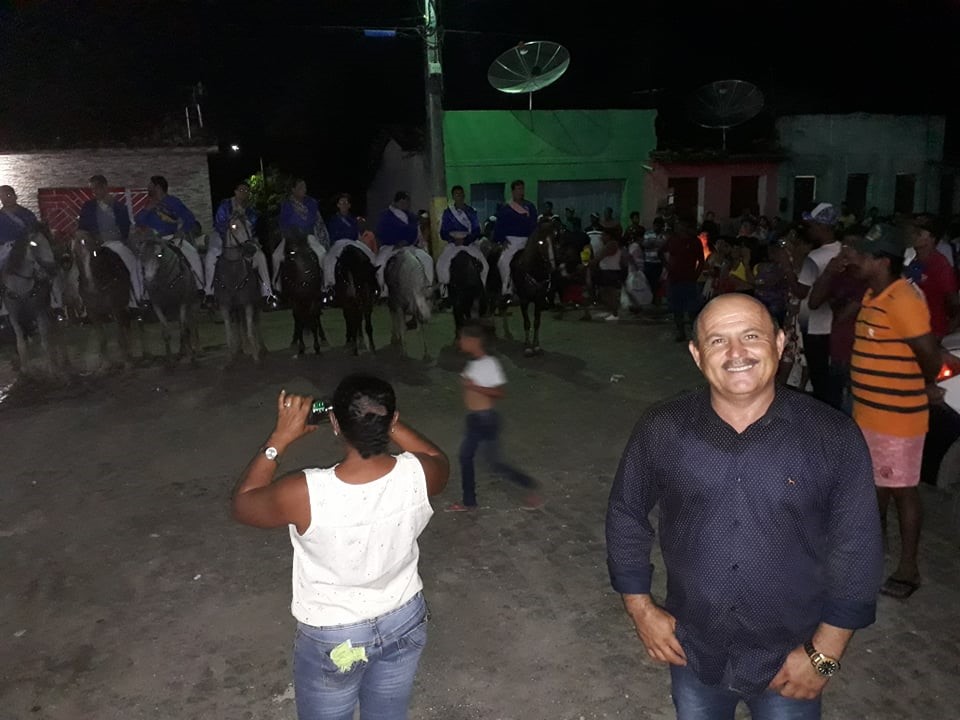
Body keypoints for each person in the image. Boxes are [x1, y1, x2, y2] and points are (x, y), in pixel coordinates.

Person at [606, 292, 883, 720]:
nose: (736, 353)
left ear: (779, 342)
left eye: (751, 336)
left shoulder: (832, 436)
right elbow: (626, 513)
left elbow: (858, 545)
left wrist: (825, 655)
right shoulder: (663, 429)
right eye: (718, 340)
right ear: (697, 354)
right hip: (694, 652)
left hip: (792, 657)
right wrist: (640, 610)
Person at [231, 374, 449, 720]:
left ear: (334, 423)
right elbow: (435, 455)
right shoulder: (420, 473)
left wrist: (280, 438)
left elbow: (244, 504)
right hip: (404, 617)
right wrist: (381, 422)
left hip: (336, 635)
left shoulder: (304, 492)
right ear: (393, 418)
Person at [848, 224, 945, 601]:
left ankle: (908, 569)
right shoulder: (875, 295)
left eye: (864, 255)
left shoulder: (902, 298)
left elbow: (929, 355)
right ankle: (873, 554)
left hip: (896, 419)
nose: (856, 260)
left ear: (882, 261)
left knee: (903, 491)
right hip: (871, 415)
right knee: (876, 488)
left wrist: (922, 383)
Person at [446, 323, 542, 512]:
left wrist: (473, 387)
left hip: (484, 419)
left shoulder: (489, 363)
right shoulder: (474, 363)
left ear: (474, 341)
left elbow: (499, 392)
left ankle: (470, 501)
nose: (460, 342)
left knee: (470, 458)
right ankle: (528, 486)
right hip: (476, 418)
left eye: (463, 338)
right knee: (492, 462)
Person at [77, 175, 146, 308]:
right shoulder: (88, 207)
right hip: (94, 245)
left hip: (115, 243)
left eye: (96, 188)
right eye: (92, 189)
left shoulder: (118, 206)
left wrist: (113, 237)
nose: (94, 192)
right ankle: (82, 302)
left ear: (104, 187)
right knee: (81, 267)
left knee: (133, 264)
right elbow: (82, 227)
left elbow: (125, 229)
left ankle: (138, 298)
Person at [796, 203, 842, 404]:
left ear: (822, 227)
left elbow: (800, 291)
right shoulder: (843, 251)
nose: (809, 230)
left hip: (814, 325)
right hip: (835, 323)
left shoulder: (814, 258)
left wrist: (788, 267)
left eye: (812, 226)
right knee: (833, 377)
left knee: (819, 378)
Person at [204, 181, 275, 307]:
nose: (244, 193)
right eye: (241, 190)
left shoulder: (251, 210)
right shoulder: (225, 205)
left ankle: (267, 294)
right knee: (211, 255)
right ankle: (209, 293)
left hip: (244, 237)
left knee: (260, 257)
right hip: (223, 235)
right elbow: (219, 222)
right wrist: (231, 221)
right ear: (235, 192)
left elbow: (252, 228)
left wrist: (244, 221)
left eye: (246, 191)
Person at [135, 176, 205, 295]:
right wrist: (147, 209)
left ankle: (201, 288)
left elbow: (190, 218)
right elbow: (138, 221)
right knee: (139, 262)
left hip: (172, 239)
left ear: (158, 187)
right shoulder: (149, 204)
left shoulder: (173, 202)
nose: (148, 188)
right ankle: (143, 295)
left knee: (192, 254)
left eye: (150, 186)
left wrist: (182, 231)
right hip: (152, 241)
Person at [905, 214, 959, 339]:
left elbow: (954, 302)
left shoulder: (939, 265)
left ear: (932, 238)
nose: (913, 236)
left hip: (931, 331)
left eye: (919, 233)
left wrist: (944, 332)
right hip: (913, 330)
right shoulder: (912, 261)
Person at [273, 179, 329, 291]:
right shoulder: (286, 204)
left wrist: (298, 225)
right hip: (290, 237)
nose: (303, 190)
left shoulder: (311, 202)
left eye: (304, 187)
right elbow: (283, 222)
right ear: (293, 189)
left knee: (322, 254)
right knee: (276, 256)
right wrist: (291, 232)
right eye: (300, 187)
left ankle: (325, 285)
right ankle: (276, 287)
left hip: (308, 236)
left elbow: (310, 220)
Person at [375, 191, 434, 295]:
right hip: (390, 246)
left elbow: (415, 232)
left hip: (408, 246)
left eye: (406, 202)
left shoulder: (411, 216)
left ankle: (427, 288)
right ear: (395, 202)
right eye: (402, 202)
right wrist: (396, 242)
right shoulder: (385, 215)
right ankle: (383, 291)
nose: (405, 205)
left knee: (427, 259)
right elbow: (381, 232)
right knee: (379, 264)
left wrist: (408, 241)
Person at [435, 185, 489, 296]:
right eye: (456, 194)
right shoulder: (448, 213)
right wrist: (453, 239)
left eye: (461, 194)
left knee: (485, 266)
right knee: (441, 265)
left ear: (464, 195)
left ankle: (483, 290)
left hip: (469, 244)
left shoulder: (471, 211)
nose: (459, 196)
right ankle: (444, 293)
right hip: (453, 244)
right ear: (453, 196)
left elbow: (476, 230)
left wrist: (466, 240)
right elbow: (443, 232)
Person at [493, 180, 538, 298]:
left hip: (528, 240)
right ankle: (506, 289)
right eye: (518, 189)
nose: (521, 192)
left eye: (522, 189)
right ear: (513, 191)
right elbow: (499, 226)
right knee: (503, 262)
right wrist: (501, 240)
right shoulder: (506, 208)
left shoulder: (530, 206)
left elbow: (534, 225)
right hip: (512, 241)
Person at [664, 216, 704, 341]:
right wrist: (668, 267)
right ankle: (681, 332)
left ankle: (693, 333)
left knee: (692, 308)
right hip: (675, 278)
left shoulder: (695, 241)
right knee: (677, 308)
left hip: (689, 278)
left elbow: (701, 260)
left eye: (681, 225)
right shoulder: (673, 239)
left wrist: (696, 274)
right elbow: (661, 252)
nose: (679, 228)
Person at [0, 184, 41, 281]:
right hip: (3, 249)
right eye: (2, 197)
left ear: (15, 196)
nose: (6, 199)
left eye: (8, 195)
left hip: (25, 246)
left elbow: (35, 232)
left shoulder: (27, 214)